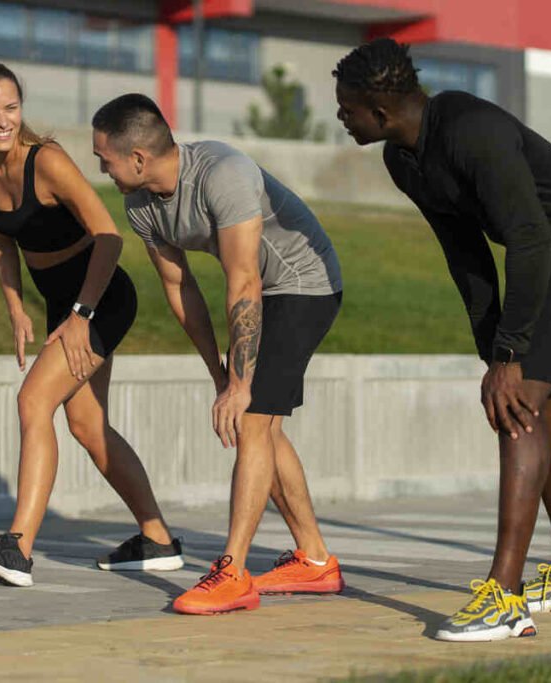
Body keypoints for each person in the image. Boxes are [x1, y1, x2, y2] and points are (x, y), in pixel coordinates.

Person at [333, 38, 551, 642]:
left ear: (381, 111)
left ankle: (505, 596)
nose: (341, 118)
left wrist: (512, 356)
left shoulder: (471, 130)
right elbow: (463, 251)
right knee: (538, 407)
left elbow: (528, 239)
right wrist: (492, 346)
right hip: (547, 251)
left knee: (516, 408)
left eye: (348, 109)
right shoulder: (403, 159)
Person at [92, 94, 345, 615]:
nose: (101, 169)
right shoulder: (140, 203)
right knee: (263, 426)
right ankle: (316, 560)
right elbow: (178, 285)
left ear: (137, 157)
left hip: (304, 282)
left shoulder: (223, 173)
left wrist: (240, 383)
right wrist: (218, 370)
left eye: (105, 159)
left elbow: (244, 278)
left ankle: (233, 572)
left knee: (253, 420)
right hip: (262, 293)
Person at [0, 63, 183, 587]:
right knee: (86, 425)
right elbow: (1, 242)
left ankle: (17, 547)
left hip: (101, 296)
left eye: (10, 107)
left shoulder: (48, 161)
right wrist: (15, 305)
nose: (2, 120)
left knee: (33, 401)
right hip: (61, 304)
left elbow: (109, 235)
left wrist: (80, 316)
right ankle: (158, 539)